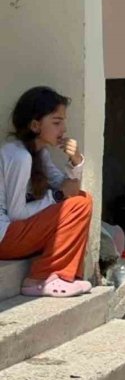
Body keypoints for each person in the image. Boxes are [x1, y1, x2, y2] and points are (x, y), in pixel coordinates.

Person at [0, 86, 93, 297]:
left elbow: (68, 187)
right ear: (35, 125)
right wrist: (58, 196)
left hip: (14, 235)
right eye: (56, 122)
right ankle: (42, 278)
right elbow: (16, 214)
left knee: (81, 200)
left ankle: (56, 275)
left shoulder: (39, 153)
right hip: (4, 237)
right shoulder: (19, 156)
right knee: (78, 203)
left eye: (63, 122)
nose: (64, 129)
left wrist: (76, 161)